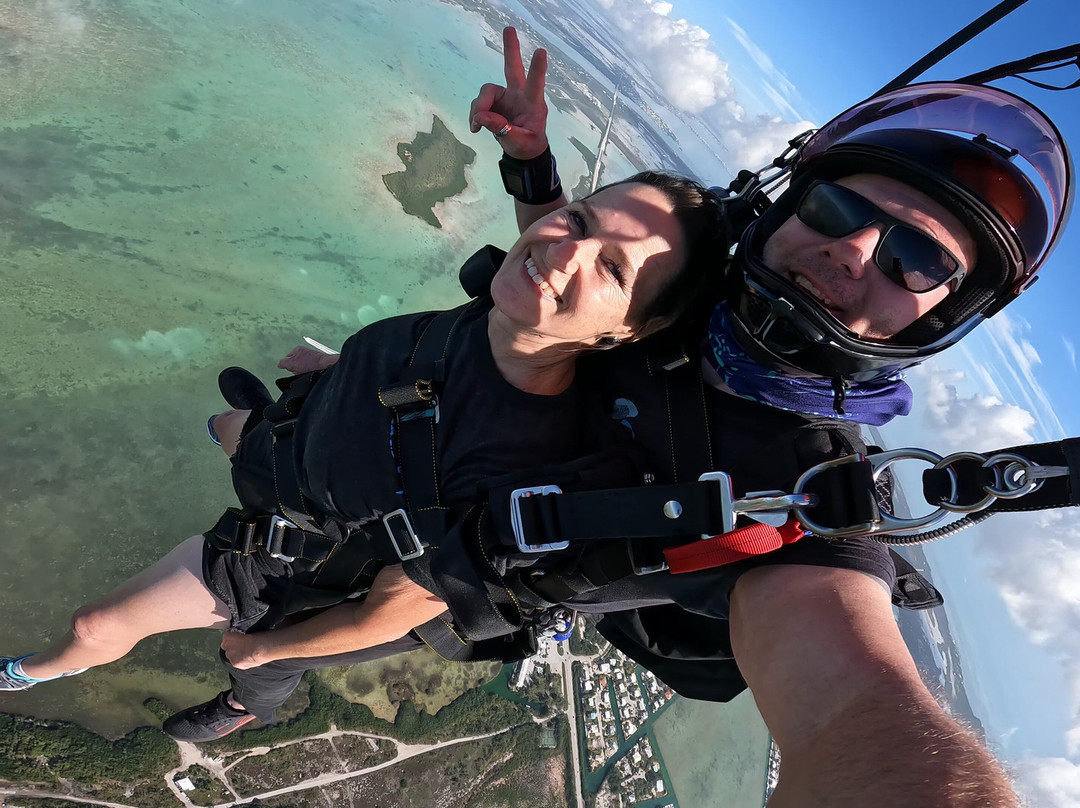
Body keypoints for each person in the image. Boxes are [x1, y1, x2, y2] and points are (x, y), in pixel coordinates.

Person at [151, 28, 1066, 807]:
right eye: (837, 205)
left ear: (938, 320)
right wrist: (531, 165)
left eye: (915, 260)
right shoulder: (701, 292)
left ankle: (250, 696)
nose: (855, 246)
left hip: (457, 571)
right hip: (446, 442)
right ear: (791, 206)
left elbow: (851, 707)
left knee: (295, 639)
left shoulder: (803, 492)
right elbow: (588, 275)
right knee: (270, 425)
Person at [0, 169, 725, 724]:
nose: (565, 251)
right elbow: (549, 257)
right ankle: (253, 425)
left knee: (106, 628)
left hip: (279, 558)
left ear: (626, 334)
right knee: (232, 425)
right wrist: (528, 158)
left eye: (613, 269)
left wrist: (265, 650)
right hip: (298, 442)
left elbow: (385, 614)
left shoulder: (516, 474)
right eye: (578, 219)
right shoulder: (502, 311)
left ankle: (80, 680)